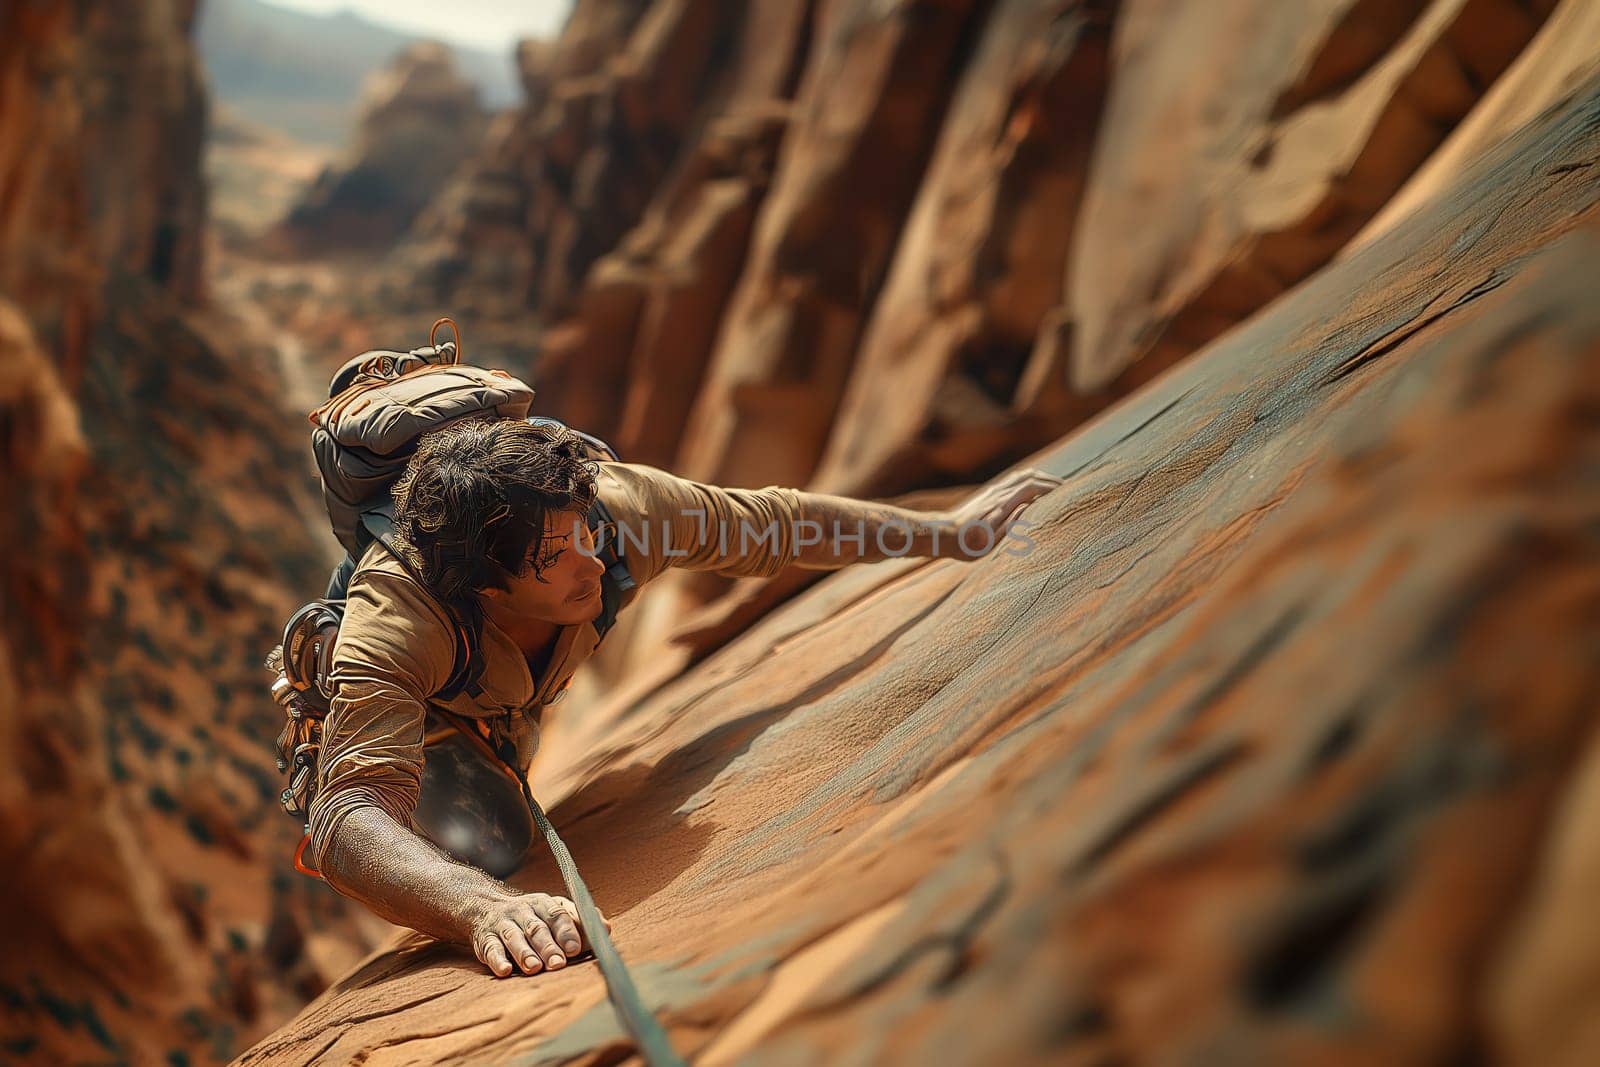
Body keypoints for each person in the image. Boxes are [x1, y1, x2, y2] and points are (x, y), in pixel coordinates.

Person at [309, 417, 1059, 978]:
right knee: (488, 846)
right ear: (485, 583)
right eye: (554, 558)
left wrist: (948, 534)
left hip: (508, 693)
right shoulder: (400, 615)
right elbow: (347, 815)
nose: (592, 563)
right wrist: (477, 908)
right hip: (438, 723)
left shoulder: (617, 510)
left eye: (583, 536)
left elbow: (781, 523)